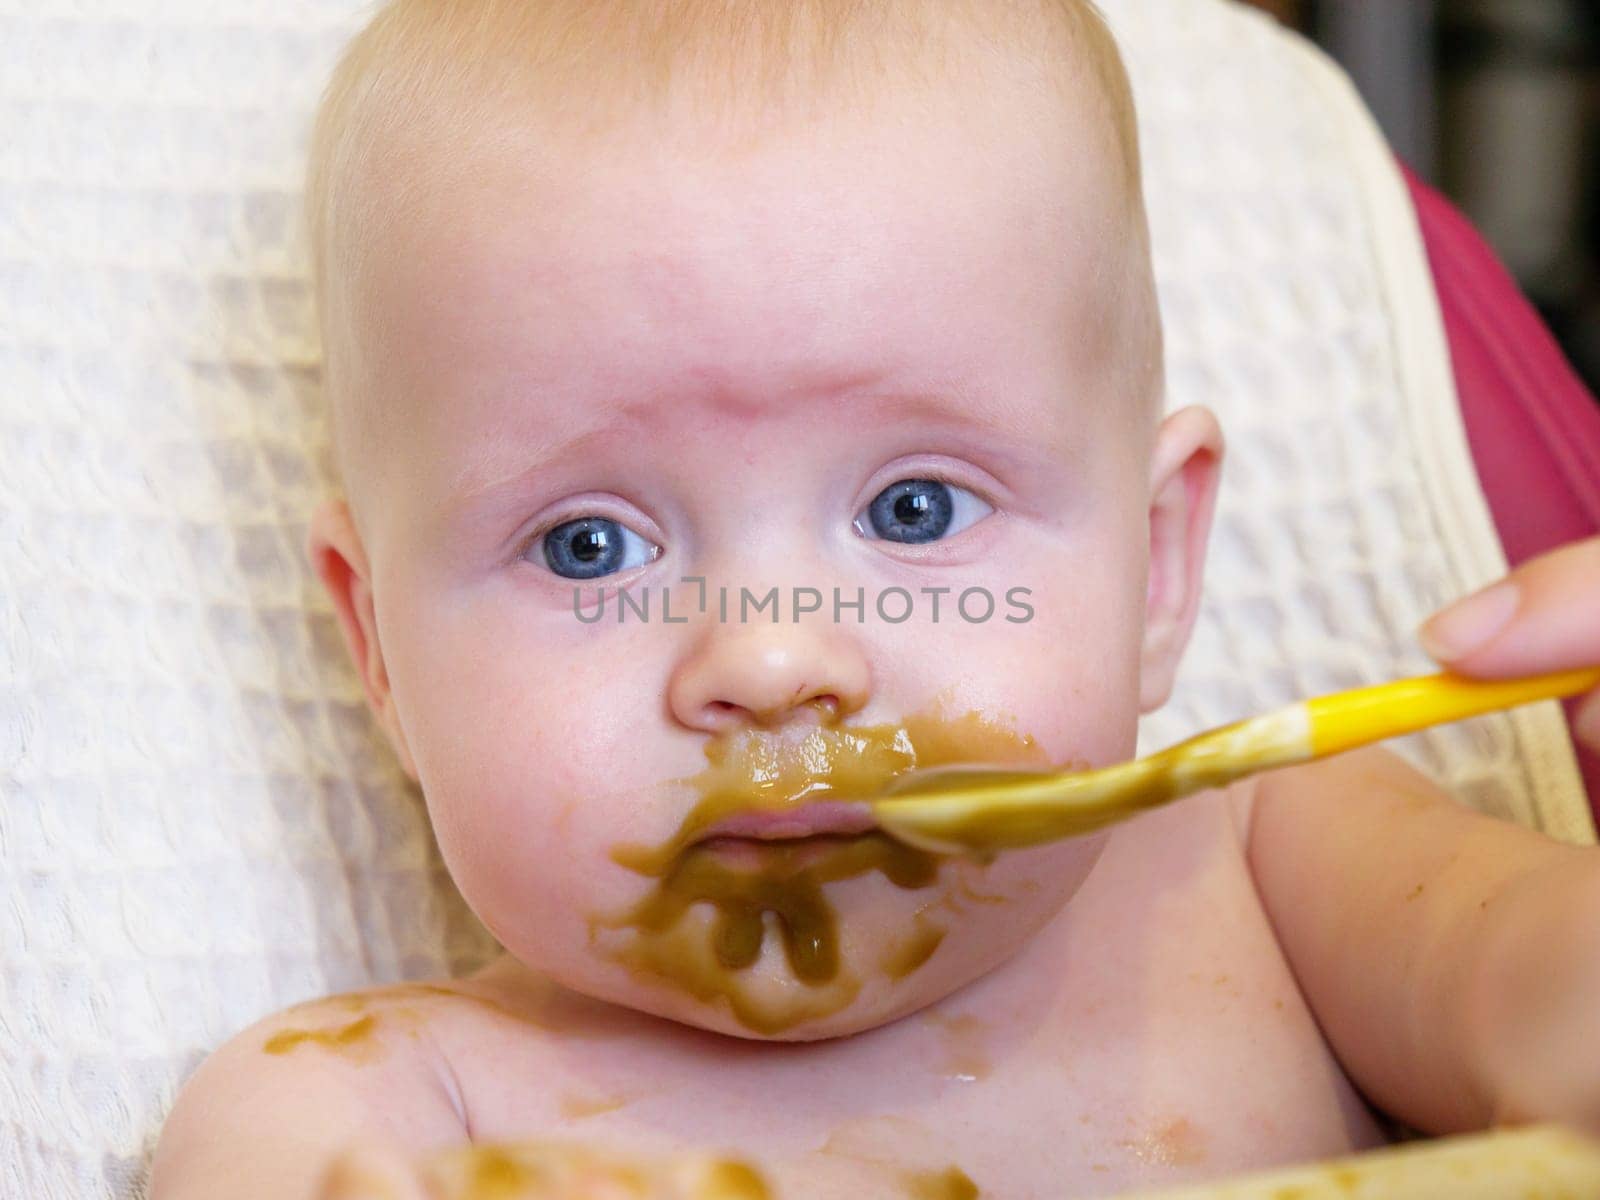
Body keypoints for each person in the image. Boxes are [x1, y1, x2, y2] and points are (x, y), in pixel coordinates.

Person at [146, 1, 1600, 1196]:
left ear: (1156, 567)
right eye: (588, 547)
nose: (773, 665)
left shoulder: (1282, 871)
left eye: (917, 510)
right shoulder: (371, 1116)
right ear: (382, 653)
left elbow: (1553, 1008)